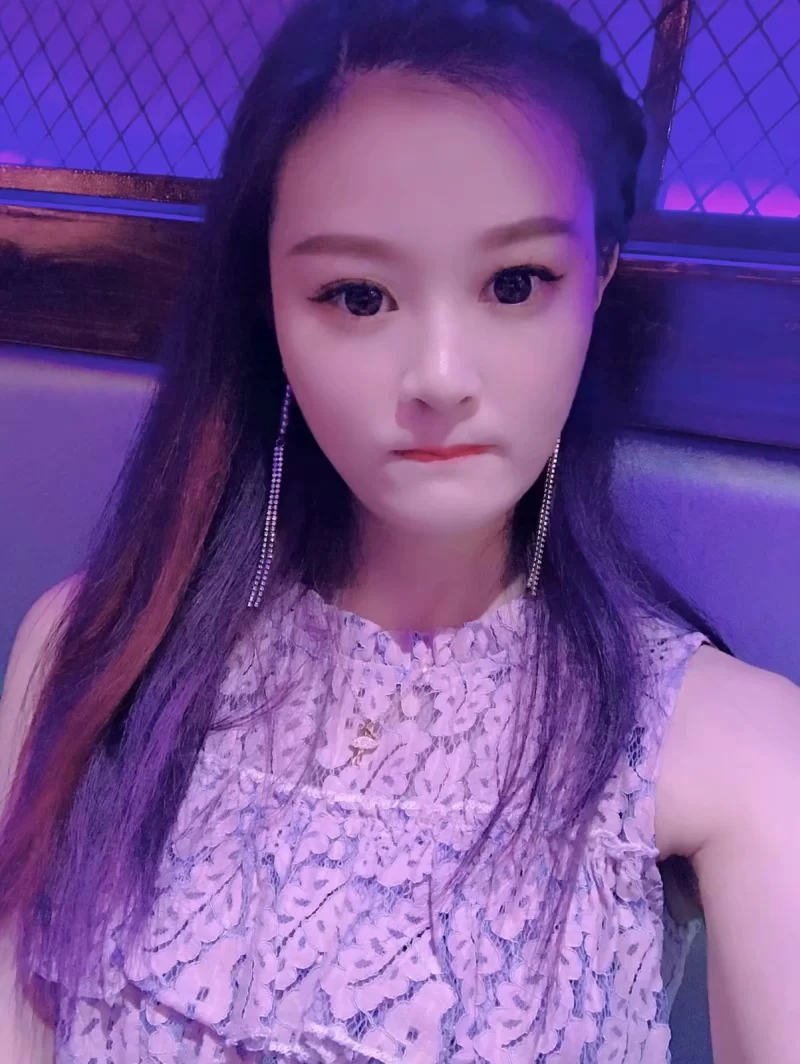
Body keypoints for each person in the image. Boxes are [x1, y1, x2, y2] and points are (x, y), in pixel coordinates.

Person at [1, 0, 798, 1061]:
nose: (438, 377)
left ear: (599, 273)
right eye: (357, 295)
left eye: (514, 283)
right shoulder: (91, 653)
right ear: (268, 301)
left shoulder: (739, 750)